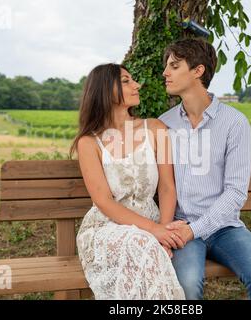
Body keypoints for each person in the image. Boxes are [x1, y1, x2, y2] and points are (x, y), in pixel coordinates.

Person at [158, 38, 251, 300]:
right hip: (181, 227)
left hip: (225, 228)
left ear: (197, 71)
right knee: (186, 286)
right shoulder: (164, 125)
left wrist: (196, 229)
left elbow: (236, 193)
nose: (165, 73)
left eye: (174, 66)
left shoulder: (234, 123)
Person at [69, 63, 185, 299]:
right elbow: (103, 201)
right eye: (126, 81)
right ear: (104, 90)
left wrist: (163, 232)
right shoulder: (89, 143)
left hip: (151, 222)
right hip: (107, 227)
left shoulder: (154, 128)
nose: (136, 85)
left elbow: (166, 187)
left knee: (145, 245)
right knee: (140, 242)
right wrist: (155, 232)